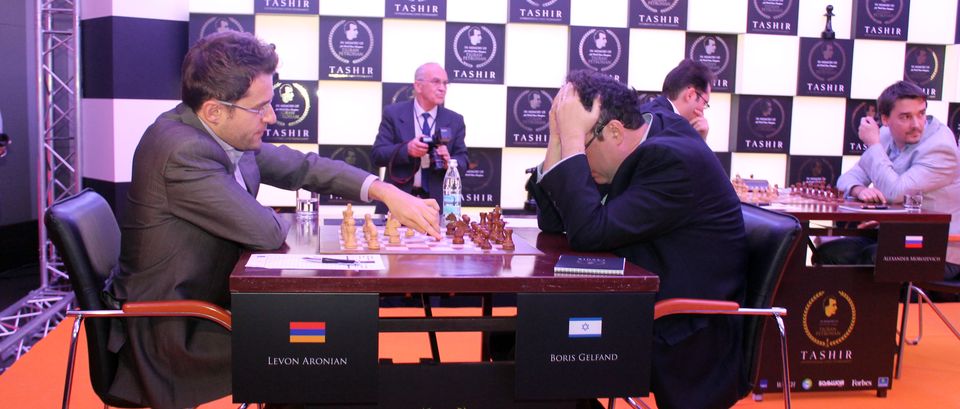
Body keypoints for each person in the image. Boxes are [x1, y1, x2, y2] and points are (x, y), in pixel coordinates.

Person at [108, 31, 440, 409]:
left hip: (210, 305)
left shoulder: (217, 132)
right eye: (260, 107)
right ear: (215, 111)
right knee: (328, 340)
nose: (272, 116)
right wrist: (285, 221)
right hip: (172, 330)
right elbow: (265, 232)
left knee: (327, 327)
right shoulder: (182, 150)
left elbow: (303, 167)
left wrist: (385, 191)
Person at [530, 70, 748, 409]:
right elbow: (553, 221)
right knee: (528, 339)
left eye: (582, 147)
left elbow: (587, 232)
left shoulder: (672, 162)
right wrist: (558, 137)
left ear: (615, 131)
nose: (580, 159)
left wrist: (572, 137)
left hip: (684, 330)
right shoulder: (635, 137)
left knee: (536, 350)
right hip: (641, 306)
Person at [816, 81, 960, 282]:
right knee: (829, 253)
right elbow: (847, 178)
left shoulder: (940, 148)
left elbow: (895, 192)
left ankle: (878, 305)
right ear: (885, 119)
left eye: (921, 114)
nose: (917, 124)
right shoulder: (885, 135)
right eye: (905, 117)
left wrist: (874, 145)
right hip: (898, 236)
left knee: (874, 258)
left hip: (940, 248)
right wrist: (859, 189)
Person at [372, 62, 469, 214]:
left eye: (445, 83)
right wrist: (407, 150)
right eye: (436, 82)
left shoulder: (455, 120)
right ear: (418, 86)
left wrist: (449, 162)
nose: (442, 88)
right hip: (398, 202)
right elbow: (377, 155)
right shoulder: (393, 114)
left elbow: (463, 161)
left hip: (437, 206)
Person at [640, 59, 713, 140]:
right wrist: (699, 139)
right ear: (690, 95)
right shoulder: (671, 128)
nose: (703, 112)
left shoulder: (645, 112)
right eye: (704, 103)